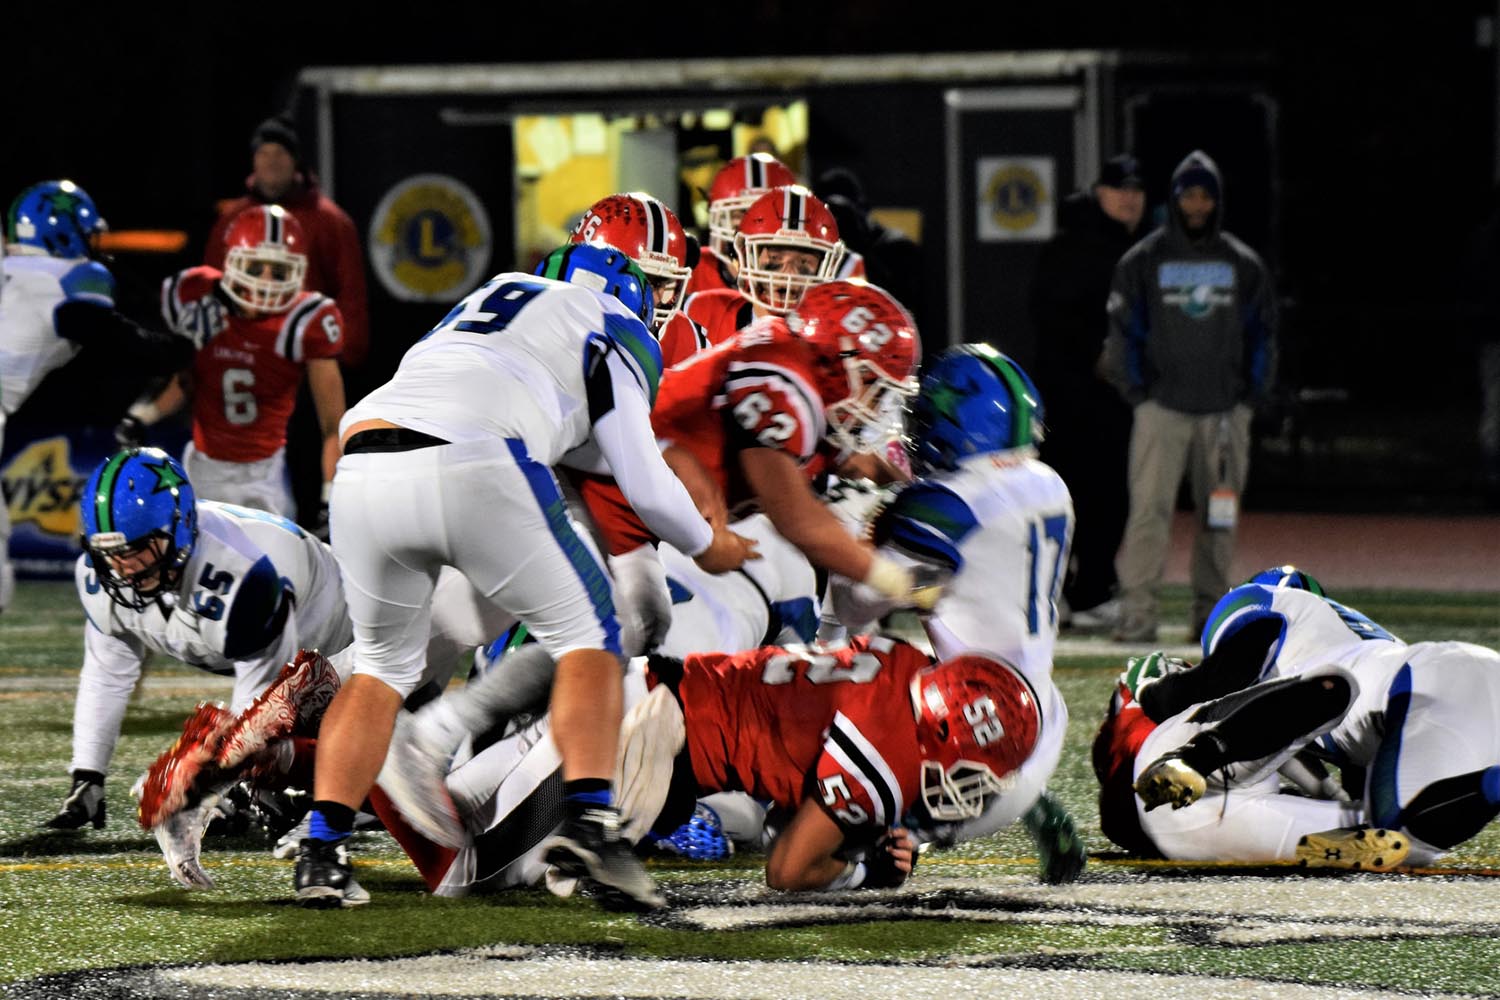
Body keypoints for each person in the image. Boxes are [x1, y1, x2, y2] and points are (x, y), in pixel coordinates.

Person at [296, 243, 755, 910]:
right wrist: (706, 542)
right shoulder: (614, 323)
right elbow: (644, 482)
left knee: (379, 671)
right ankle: (591, 824)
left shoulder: (478, 307)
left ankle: (321, 853)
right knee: (591, 637)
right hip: (475, 457)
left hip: (365, 457)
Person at [381, 636, 1040, 897]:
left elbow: (796, 772)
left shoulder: (904, 660)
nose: (971, 788)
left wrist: (865, 833)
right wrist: (866, 872)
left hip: (651, 691)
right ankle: (342, 722)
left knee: (445, 808)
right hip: (642, 740)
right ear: (946, 726)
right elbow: (786, 870)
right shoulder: (893, 754)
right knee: (462, 873)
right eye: (973, 767)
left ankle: (319, 741)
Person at [826, 344, 1085, 884]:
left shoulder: (945, 506)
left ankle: (902, 835)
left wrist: (858, 532)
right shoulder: (1048, 481)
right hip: (1040, 714)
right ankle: (1028, 803)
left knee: (852, 656)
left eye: (923, 420)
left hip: (968, 734)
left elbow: (857, 604)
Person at [1106, 566, 1500, 869]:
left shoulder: (1269, 602)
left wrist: (1152, 689)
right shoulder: (1367, 647)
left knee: (1328, 693)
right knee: (1398, 842)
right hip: (1439, 685)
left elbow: (1223, 678)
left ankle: (1197, 757)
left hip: (1410, 686)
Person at [1101, 149, 1277, 642]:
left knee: (1219, 519)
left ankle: (1212, 618)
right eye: (1189, 195)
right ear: (1175, 200)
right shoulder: (1144, 260)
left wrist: (1249, 397)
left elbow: (1264, 333)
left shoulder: (1242, 263)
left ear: (1216, 201)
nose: (1196, 205)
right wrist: (1138, 392)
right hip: (1162, 413)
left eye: (1205, 196)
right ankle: (1138, 616)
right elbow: (1123, 330)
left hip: (1224, 415)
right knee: (1147, 518)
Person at [1, 180, 197, 615]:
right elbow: (121, 342)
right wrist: (186, 346)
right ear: (63, 232)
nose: (95, 246)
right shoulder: (66, 278)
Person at [123, 205, 346, 521]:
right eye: (256, 268)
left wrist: (330, 495)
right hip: (201, 468)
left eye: (279, 271)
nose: (267, 281)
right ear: (232, 262)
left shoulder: (305, 320)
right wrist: (142, 416)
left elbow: (333, 425)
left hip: (265, 476)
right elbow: (184, 382)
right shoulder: (198, 298)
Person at [205, 115, 369, 533]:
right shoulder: (232, 219)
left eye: (280, 154)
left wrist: (346, 351)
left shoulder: (329, 220)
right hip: (245, 356)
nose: (272, 163)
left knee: (316, 441)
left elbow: (349, 291)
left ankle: (322, 522)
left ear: (296, 162)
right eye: (264, 153)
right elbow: (211, 286)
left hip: (304, 354)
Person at [1027, 154, 1146, 629]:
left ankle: (1087, 589)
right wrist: (1094, 355)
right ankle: (1067, 593)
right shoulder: (1072, 245)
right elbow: (1049, 316)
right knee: (1068, 496)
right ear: (1099, 193)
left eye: (1136, 191)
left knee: (1109, 498)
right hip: (1072, 397)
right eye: (1120, 189)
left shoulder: (1138, 246)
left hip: (1112, 399)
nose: (1129, 198)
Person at [568, 191, 713, 367]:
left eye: (665, 282)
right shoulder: (551, 324)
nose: (659, 299)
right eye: (646, 281)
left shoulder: (686, 340)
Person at [683, 184, 847, 339]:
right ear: (747, 255)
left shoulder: (842, 340)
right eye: (775, 258)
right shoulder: (702, 312)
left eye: (803, 262)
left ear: (828, 265)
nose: (788, 273)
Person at [813, 166, 925, 329]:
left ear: (864, 208)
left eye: (845, 213)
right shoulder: (808, 253)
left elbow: (902, 310)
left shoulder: (897, 248)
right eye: (830, 214)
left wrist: (859, 247)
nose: (838, 221)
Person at [693, 153, 799, 296]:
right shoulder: (694, 269)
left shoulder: (803, 277)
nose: (754, 222)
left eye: (768, 212)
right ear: (720, 216)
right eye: (743, 212)